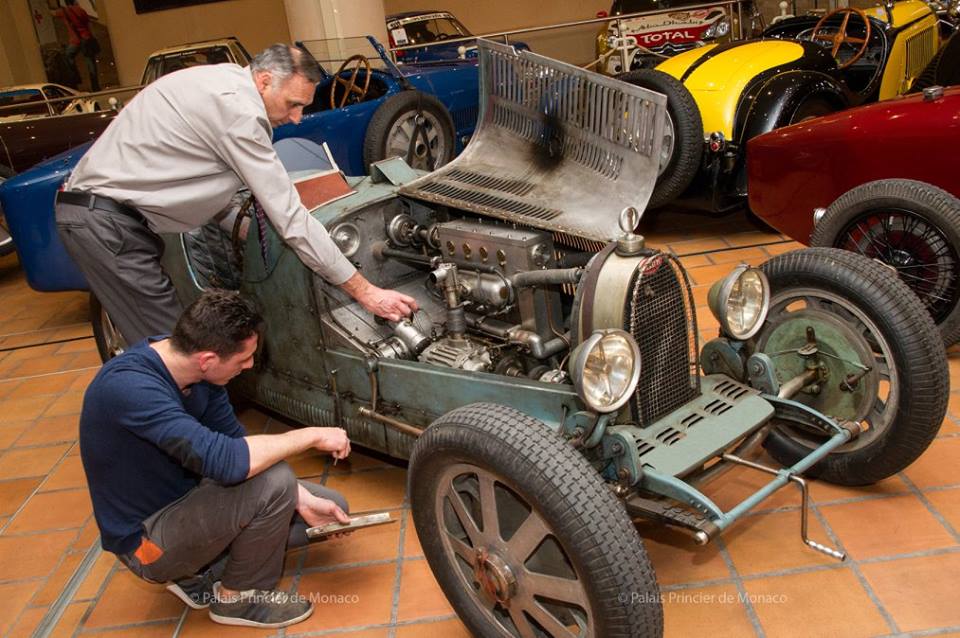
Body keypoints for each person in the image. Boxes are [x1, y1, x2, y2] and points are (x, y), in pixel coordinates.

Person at [55, 43, 417, 346]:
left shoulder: (223, 82)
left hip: (109, 218)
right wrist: (366, 291)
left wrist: (253, 236)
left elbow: (210, 186)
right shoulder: (240, 111)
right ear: (263, 81)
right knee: (175, 354)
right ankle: (190, 431)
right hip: (106, 222)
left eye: (303, 107)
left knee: (176, 350)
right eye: (292, 104)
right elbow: (291, 219)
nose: (295, 118)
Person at [81, 290, 355, 628]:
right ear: (208, 359)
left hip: (192, 502)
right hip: (146, 541)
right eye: (243, 360)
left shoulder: (199, 376)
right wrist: (310, 436)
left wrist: (303, 499)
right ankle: (238, 598)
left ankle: (199, 572)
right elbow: (230, 462)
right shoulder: (130, 389)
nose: (250, 366)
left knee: (327, 506)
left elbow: (236, 444)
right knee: (275, 481)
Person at [53, 0, 100, 92]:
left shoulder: (63, 11)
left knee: (68, 57)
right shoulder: (81, 10)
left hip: (75, 41)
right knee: (91, 63)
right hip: (86, 39)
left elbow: (54, 13)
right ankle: (95, 86)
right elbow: (88, 23)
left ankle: (74, 79)